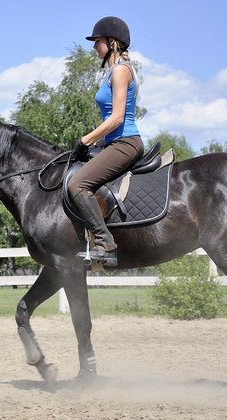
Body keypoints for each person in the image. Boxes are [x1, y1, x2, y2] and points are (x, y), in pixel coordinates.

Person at [68, 16, 144, 266]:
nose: (94, 47)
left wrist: (86, 140)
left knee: (77, 185)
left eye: (97, 41)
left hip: (125, 142)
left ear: (112, 43)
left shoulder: (121, 71)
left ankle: (105, 243)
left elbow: (118, 117)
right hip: (113, 143)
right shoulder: (112, 71)